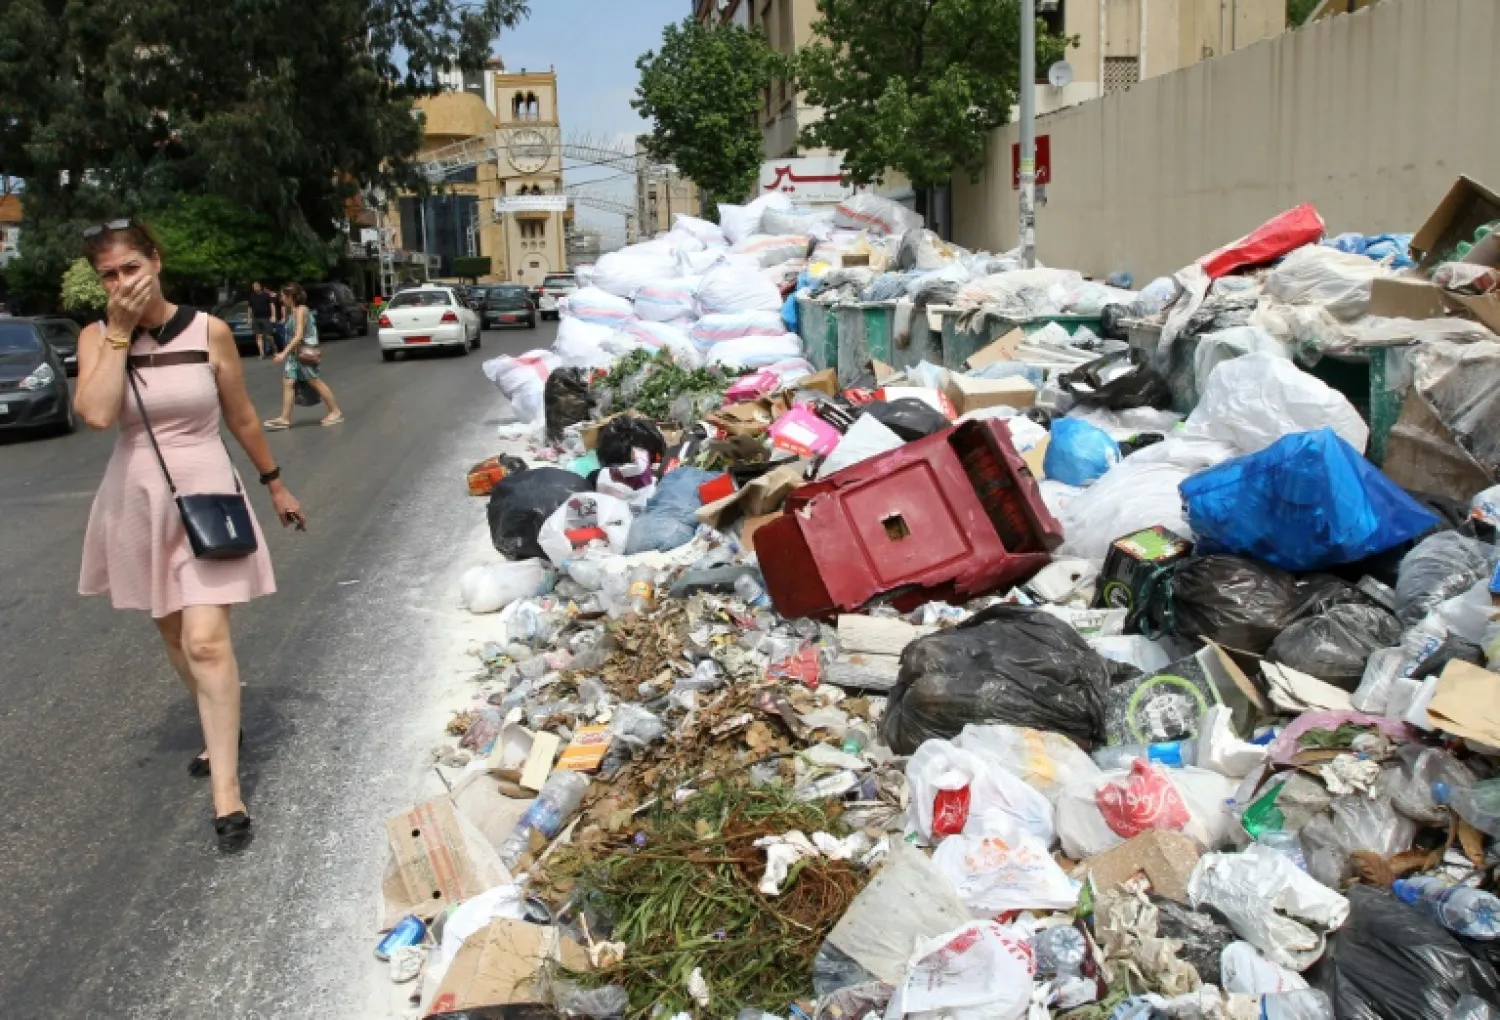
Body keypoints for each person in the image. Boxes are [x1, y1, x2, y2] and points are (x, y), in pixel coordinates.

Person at [73, 218, 305, 853]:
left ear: (156, 259)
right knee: (175, 634)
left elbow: (240, 415)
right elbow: (94, 413)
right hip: (137, 501)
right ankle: (216, 718)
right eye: (108, 275)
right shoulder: (96, 337)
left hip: (205, 491)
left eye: (130, 267)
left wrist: (274, 482)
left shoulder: (210, 332)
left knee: (206, 642)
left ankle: (226, 792)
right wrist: (120, 334)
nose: (121, 282)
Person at [262, 283, 344, 429]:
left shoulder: (301, 310)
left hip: (304, 353)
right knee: (288, 383)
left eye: (283, 296)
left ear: (291, 297)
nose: (281, 299)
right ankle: (285, 418)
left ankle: (335, 411)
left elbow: (299, 335)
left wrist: (283, 353)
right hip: (295, 355)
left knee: (314, 381)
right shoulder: (291, 311)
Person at [247, 280, 276, 360]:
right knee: (258, 336)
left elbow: (272, 305)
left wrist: (273, 316)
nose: (255, 288)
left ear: (260, 286)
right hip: (256, 318)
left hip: (266, 317)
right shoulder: (252, 296)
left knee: (269, 336)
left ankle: (274, 350)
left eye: (256, 286)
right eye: (253, 287)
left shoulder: (266, 295)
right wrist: (249, 318)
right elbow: (249, 308)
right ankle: (261, 353)